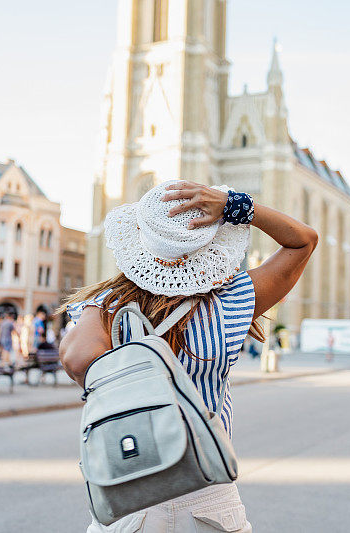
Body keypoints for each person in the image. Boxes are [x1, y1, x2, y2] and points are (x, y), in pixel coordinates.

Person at [59, 179, 318, 532]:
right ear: (211, 247)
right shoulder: (230, 304)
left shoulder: (105, 308)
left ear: (138, 244)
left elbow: (77, 359)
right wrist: (234, 205)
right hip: (206, 489)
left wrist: (107, 298)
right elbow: (303, 240)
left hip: (129, 487)